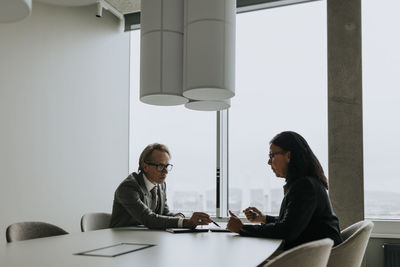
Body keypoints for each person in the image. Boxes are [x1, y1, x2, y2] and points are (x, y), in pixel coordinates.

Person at [227, 131, 343, 250]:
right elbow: (294, 222)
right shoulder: (307, 183)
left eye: (272, 155)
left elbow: (287, 231)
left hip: (315, 259)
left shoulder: (304, 186)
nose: (268, 162)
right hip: (317, 256)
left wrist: (242, 228)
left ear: (288, 156)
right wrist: (263, 218)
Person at [110, 143, 212, 229]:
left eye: (167, 166)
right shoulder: (128, 187)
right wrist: (186, 222)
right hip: (122, 239)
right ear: (145, 166)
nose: (166, 171)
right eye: (161, 166)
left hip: (144, 237)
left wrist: (181, 216)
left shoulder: (160, 185)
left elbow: (165, 213)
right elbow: (149, 219)